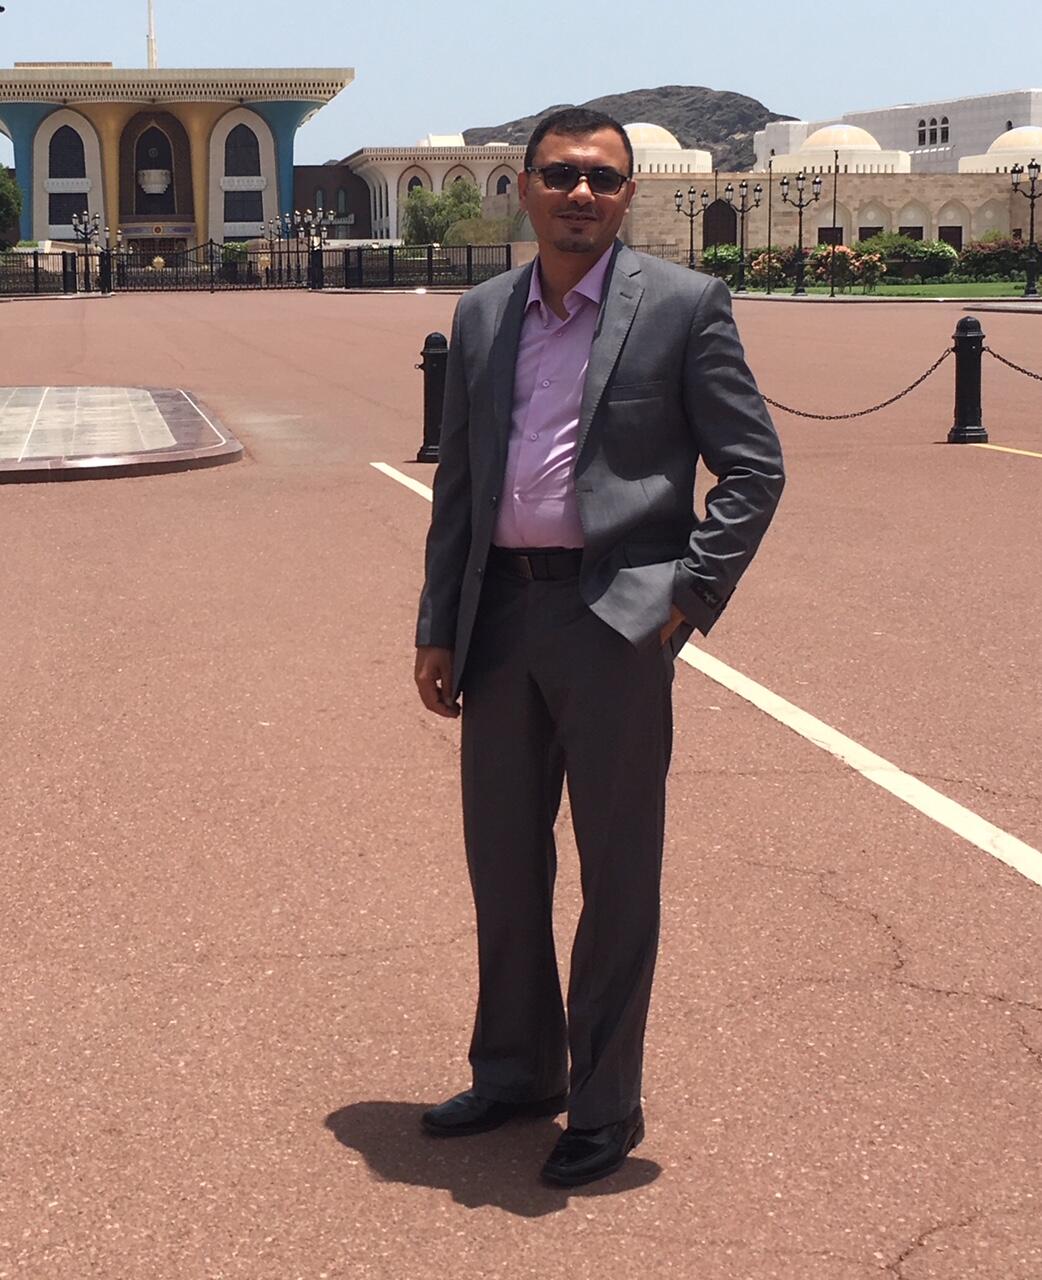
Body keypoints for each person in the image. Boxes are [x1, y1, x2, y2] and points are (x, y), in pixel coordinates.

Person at [414, 107, 784, 1187]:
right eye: (562, 175)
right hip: (499, 624)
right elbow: (462, 483)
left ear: (629, 196)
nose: (582, 194)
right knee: (504, 861)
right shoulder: (483, 315)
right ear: (522, 187)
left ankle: (605, 1102)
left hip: (615, 618)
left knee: (618, 872)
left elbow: (753, 466)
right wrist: (438, 622)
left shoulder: (682, 306)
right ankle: (520, 1068)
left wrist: (688, 595)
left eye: (603, 180)